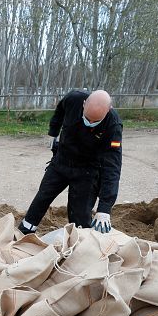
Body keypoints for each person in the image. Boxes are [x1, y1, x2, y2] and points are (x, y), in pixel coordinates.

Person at [18, 89, 122, 235]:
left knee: (80, 215)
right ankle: (24, 231)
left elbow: (112, 166)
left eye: (96, 121)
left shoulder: (113, 125)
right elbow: (60, 111)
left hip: (87, 171)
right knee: (42, 198)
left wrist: (105, 208)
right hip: (62, 162)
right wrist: (53, 132)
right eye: (88, 118)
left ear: (108, 110)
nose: (90, 123)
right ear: (84, 104)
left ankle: (80, 244)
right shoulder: (73, 99)